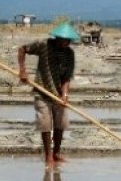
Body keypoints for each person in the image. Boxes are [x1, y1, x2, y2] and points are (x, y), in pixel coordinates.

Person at [18, 22, 79, 165]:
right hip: (42, 91)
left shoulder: (69, 54)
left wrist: (65, 96)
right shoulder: (44, 45)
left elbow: (67, 78)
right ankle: (48, 156)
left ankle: (56, 153)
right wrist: (22, 71)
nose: (67, 42)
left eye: (69, 40)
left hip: (58, 94)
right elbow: (22, 49)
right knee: (45, 124)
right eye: (64, 39)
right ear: (57, 37)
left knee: (61, 123)